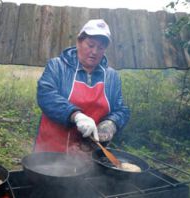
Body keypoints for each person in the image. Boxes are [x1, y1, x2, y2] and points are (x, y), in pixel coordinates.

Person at [34, 19, 130, 154]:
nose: (95, 51)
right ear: (79, 42)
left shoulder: (112, 77)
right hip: (51, 152)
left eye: (100, 47)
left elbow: (121, 109)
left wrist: (111, 123)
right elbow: (46, 95)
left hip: (88, 156)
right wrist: (76, 115)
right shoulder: (57, 66)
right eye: (90, 45)